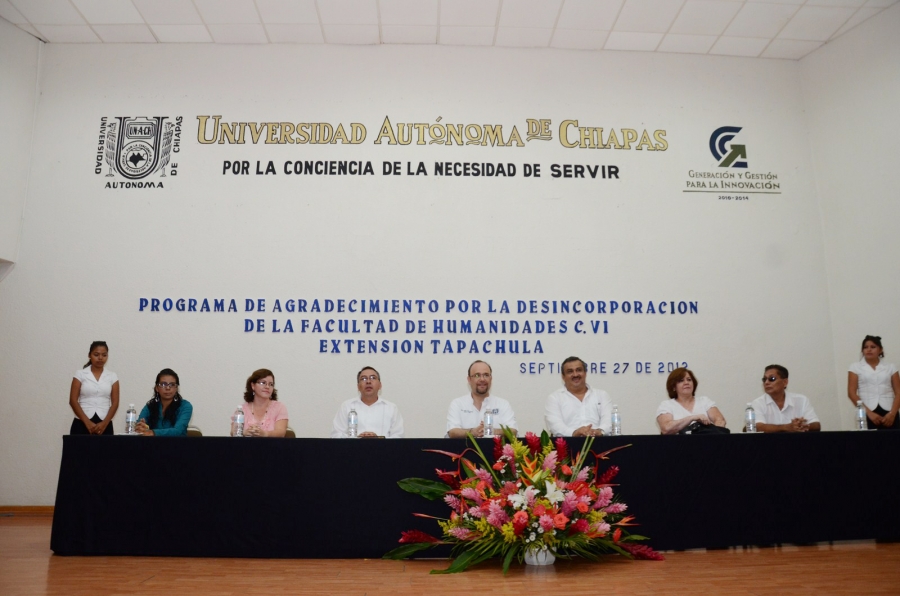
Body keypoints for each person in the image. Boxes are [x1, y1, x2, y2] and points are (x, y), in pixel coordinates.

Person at [446, 360, 517, 438]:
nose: (482, 379)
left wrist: (490, 431)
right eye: (477, 375)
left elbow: (513, 431)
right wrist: (472, 432)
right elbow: (452, 432)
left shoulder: (503, 404)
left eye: (486, 375)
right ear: (469, 379)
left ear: (491, 378)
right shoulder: (457, 404)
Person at [544, 356, 612, 437]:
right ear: (563, 376)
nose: (575, 374)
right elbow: (556, 426)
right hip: (569, 446)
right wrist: (575, 432)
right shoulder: (554, 398)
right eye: (570, 371)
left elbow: (609, 421)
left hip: (599, 443)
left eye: (579, 370)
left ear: (585, 373)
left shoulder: (602, 395)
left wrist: (599, 431)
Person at [331, 366, 404, 438]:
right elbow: (336, 435)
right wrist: (356, 440)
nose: (368, 382)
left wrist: (379, 440)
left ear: (380, 385)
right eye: (364, 379)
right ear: (358, 387)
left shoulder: (391, 408)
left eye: (373, 378)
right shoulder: (346, 406)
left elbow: (398, 437)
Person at [848, 335, 900, 430]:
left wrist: (892, 414)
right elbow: (851, 393)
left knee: (893, 442)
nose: (869, 350)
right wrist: (869, 413)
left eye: (873, 347)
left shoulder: (891, 367)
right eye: (865, 347)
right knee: (868, 443)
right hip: (866, 412)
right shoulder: (855, 367)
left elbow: (898, 392)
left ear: (880, 350)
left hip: (889, 412)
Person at [68, 341, 119, 435]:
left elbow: (115, 403)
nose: (100, 358)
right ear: (89, 355)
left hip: (104, 423)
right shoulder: (80, 374)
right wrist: (87, 422)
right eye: (96, 354)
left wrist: (104, 423)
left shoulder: (112, 376)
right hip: (81, 422)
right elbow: (73, 400)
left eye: (104, 355)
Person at [750, 365, 820, 432]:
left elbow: (816, 425)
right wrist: (786, 427)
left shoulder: (802, 400)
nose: (766, 382)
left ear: (785, 382)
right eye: (764, 379)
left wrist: (801, 425)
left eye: (772, 379)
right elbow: (757, 427)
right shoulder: (757, 403)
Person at [656, 367, 726, 434]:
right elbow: (666, 429)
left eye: (689, 379)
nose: (686, 382)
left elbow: (720, 421)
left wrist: (715, 436)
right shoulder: (666, 405)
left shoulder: (704, 401)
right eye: (681, 380)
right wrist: (692, 418)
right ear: (674, 387)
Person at [134, 368, 194, 436]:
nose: (168, 388)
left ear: (176, 388)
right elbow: (140, 426)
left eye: (172, 384)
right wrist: (141, 427)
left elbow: (178, 431)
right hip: (152, 445)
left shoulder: (185, 406)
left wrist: (153, 432)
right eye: (163, 384)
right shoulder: (150, 406)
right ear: (157, 388)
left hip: (177, 445)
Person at [241, 369, 288, 437]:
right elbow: (233, 432)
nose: (267, 387)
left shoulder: (279, 407)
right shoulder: (242, 409)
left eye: (271, 384)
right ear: (253, 386)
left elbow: (281, 433)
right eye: (263, 383)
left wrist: (265, 434)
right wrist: (245, 432)